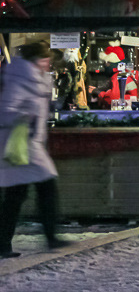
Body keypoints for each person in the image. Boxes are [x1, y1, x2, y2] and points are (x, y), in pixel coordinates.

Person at [1, 41, 67, 259]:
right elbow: (5, 111)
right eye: (45, 59)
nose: (48, 63)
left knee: (16, 195)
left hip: (29, 145)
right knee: (44, 186)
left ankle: (4, 243)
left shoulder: (35, 79)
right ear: (36, 60)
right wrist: (24, 115)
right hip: (20, 144)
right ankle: (50, 237)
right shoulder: (20, 79)